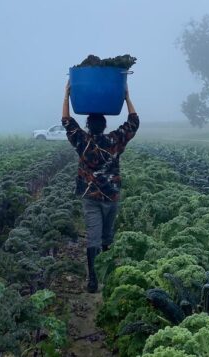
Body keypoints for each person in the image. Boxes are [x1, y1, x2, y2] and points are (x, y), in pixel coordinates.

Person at [61, 81, 140, 293]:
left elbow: (67, 121)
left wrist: (66, 96)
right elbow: (134, 122)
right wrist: (126, 98)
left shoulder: (82, 141)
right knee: (107, 236)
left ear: (87, 126)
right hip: (111, 196)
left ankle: (93, 280)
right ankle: (107, 274)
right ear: (105, 126)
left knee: (93, 237)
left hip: (90, 196)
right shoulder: (114, 140)